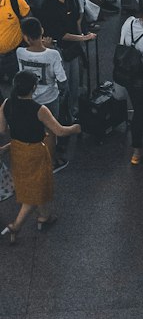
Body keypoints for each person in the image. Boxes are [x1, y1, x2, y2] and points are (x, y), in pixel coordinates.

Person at [0, 69, 80, 242]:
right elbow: (59, 130)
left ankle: (44, 216)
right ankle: (16, 226)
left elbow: (2, 129)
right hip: (35, 151)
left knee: (32, 184)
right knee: (37, 186)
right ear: (34, 88)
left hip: (17, 150)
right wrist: (76, 128)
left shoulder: (7, 103)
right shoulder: (39, 109)